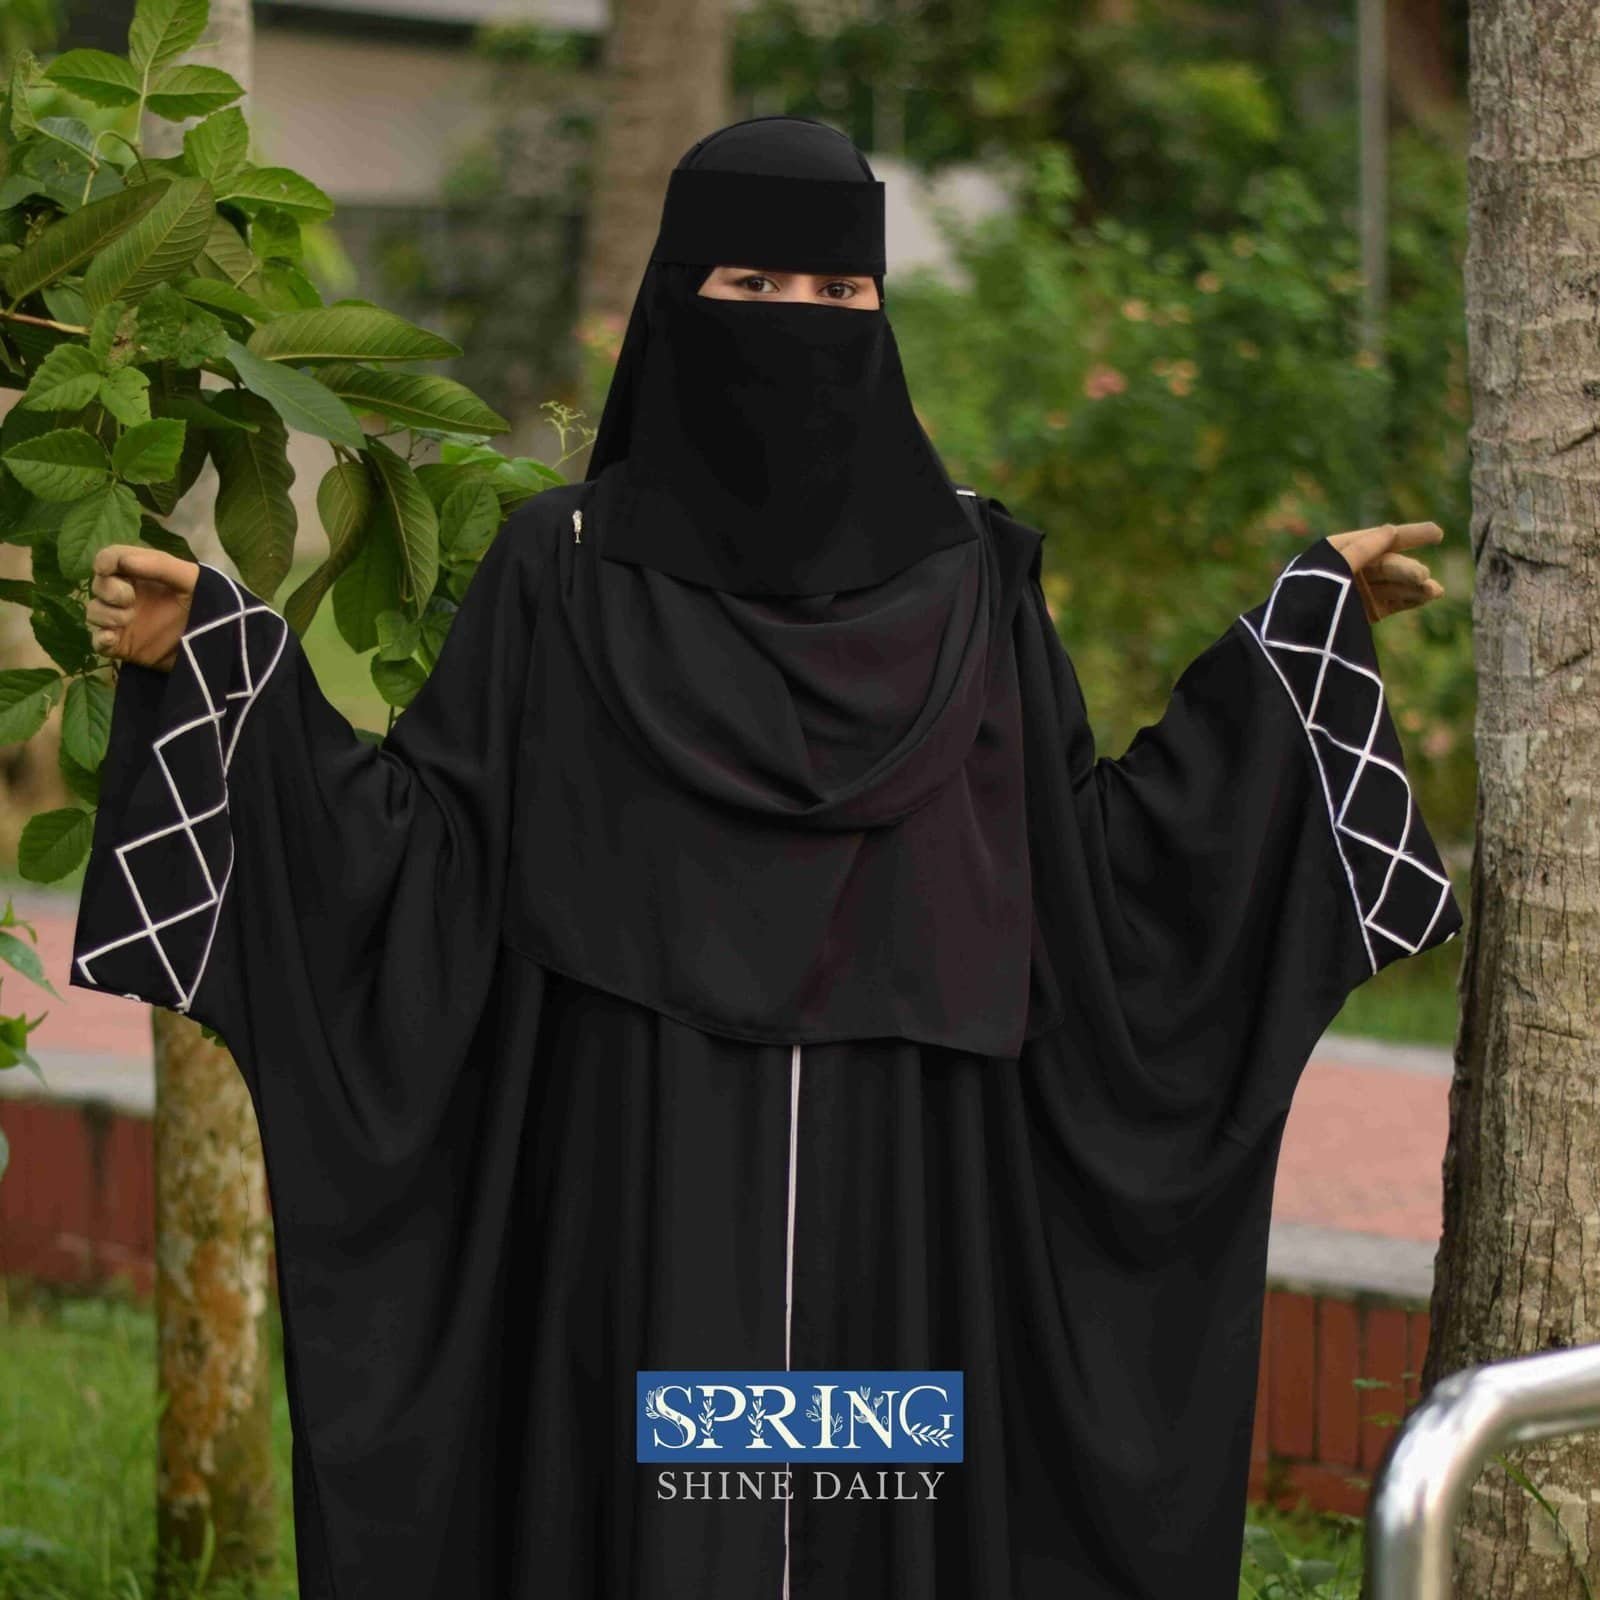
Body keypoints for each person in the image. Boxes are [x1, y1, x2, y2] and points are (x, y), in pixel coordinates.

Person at [71, 115, 1462, 1600]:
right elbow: (423, 863)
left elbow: (1093, 877)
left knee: (861, 1497)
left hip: (905, 1203)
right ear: (679, 302)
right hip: (637, 1191)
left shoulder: (975, 586)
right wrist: (223, 664)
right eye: (755, 285)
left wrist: (1295, 656)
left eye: (839, 293)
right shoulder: (564, 572)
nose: (801, 322)